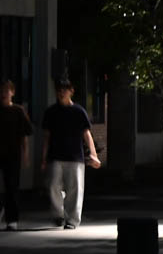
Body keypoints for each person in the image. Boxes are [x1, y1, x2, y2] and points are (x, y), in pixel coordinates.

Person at [41, 80, 101, 229]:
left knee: (75, 189)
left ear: (71, 91)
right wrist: (43, 158)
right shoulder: (51, 112)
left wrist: (94, 155)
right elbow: (47, 137)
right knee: (53, 186)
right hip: (55, 155)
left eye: (65, 90)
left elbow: (87, 134)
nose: (61, 93)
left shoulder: (79, 112)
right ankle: (58, 215)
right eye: (59, 90)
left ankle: (72, 220)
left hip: (75, 156)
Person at [0, 80, 33, 230]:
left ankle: (12, 219)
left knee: (12, 187)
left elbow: (24, 135)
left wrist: (25, 154)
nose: (4, 94)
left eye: (7, 91)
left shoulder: (18, 111)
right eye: (2, 91)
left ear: (12, 92)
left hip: (13, 153)